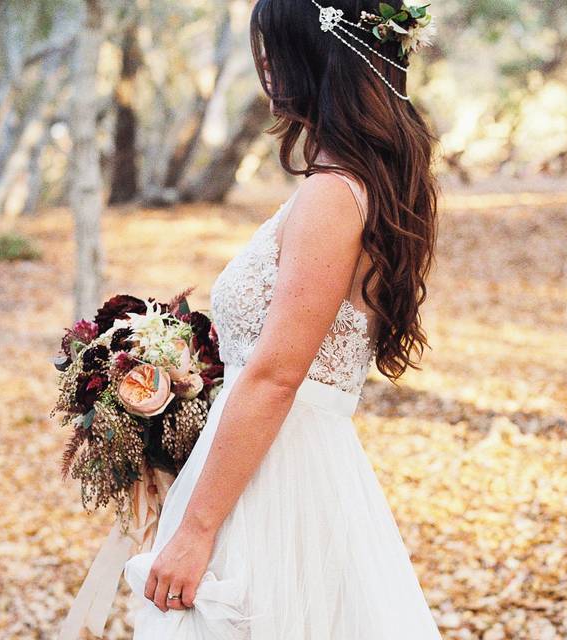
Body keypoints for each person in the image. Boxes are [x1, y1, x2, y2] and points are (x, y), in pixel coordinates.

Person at [122, 0, 443, 637]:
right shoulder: (350, 184)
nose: (265, 69)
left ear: (312, 58)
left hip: (279, 478)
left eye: (272, 51)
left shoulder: (334, 194)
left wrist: (197, 530)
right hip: (266, 454)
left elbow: (276, 375)